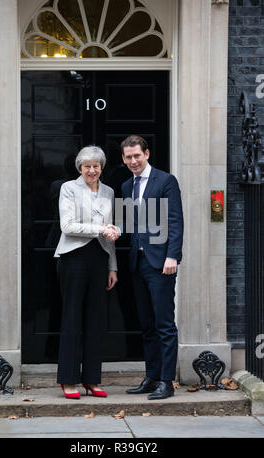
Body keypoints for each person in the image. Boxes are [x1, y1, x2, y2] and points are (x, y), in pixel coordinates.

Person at [119, 135, 184, 400]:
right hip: (138, 263)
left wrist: (173, 257)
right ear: (123, 159)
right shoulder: (126, 186)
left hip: (161, 264)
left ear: (147, 154)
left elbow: (175, 221)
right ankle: (152, 376)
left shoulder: (166, 181)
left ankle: (166, 382)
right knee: (146, 325)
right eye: (128, 157)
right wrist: (113, 229)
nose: (133, 161)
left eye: (137, 155)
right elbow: (129, 223)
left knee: (164, 324)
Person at [54, 145, 119, 399]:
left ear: (101, 167)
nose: (92, 170)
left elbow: (111, 232)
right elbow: (67, 225)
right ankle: (68, 381)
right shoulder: (69, 188)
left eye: (96, 166)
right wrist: (101, 229)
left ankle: (92, 379)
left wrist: (113, 266)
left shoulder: (109, 191)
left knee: (95, 320)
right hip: (73, 257)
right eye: (87, 166)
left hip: (100, 258)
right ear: (79, 168)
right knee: (72, 318)